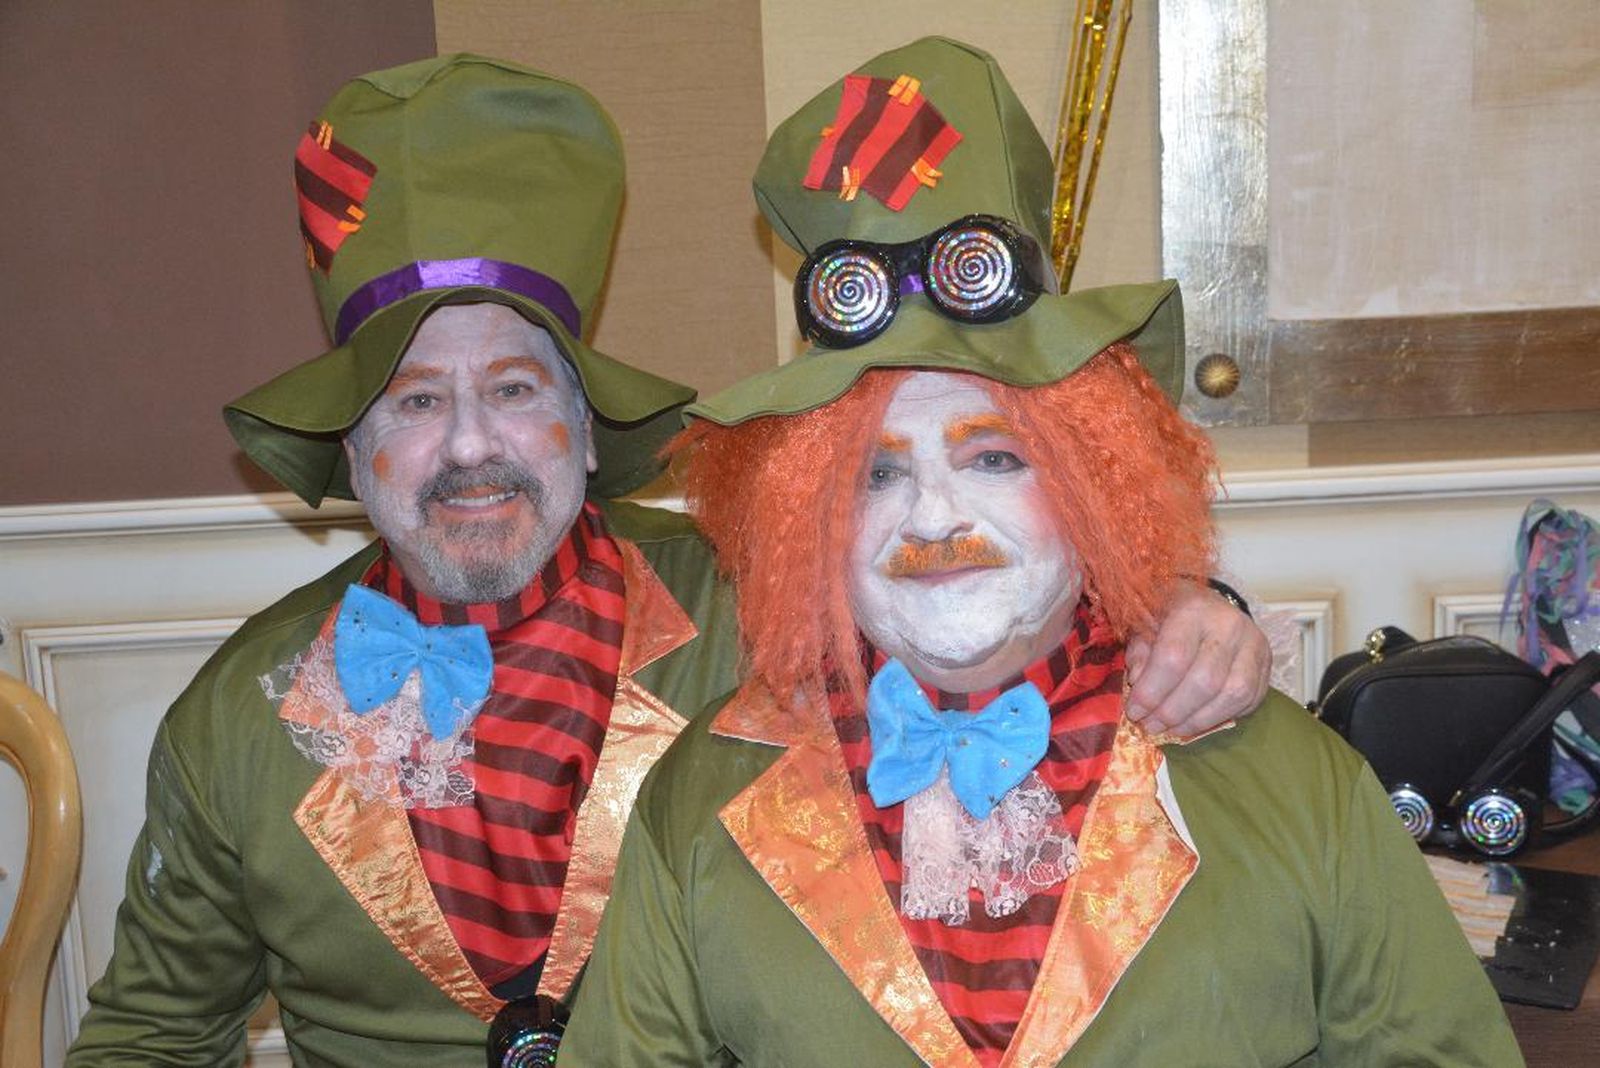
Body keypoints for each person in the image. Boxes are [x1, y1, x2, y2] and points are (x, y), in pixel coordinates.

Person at [67, 54, 1269, 1065]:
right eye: (415, 401)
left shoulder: (773, 594)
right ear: (355, 447)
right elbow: (149, 1038)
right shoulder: (239, 712)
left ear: (586, 431)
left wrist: (1181, 600)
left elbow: (1012, 620)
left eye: (516, 388)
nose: (470, 446)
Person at [561, 37, 1523, 1067]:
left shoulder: (1290, 780)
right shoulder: (697, 802)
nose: (932, 519)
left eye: (992, 458)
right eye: (873, 477)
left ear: (1093, 483)